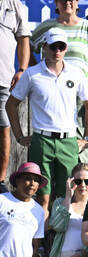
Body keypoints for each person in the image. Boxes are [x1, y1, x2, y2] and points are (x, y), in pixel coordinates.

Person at [6, 31, 88, 214]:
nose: (57, 51)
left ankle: (60, 241)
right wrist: (19, 136)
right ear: (44, 47)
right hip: (42, 140)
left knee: (67, 195)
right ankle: (40, 242)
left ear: (66, 49)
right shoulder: (32, 74)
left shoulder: (76, 74)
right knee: (42, 196)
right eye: (53, 46)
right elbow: (11, 105)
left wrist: (87, 137)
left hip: (68, 141)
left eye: (61, 47)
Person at [0, 0, 31, 192]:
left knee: (3, 129)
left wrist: (22, 69)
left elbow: (24, 39)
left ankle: (0, 179)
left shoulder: (17, 5)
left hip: (3, 80)